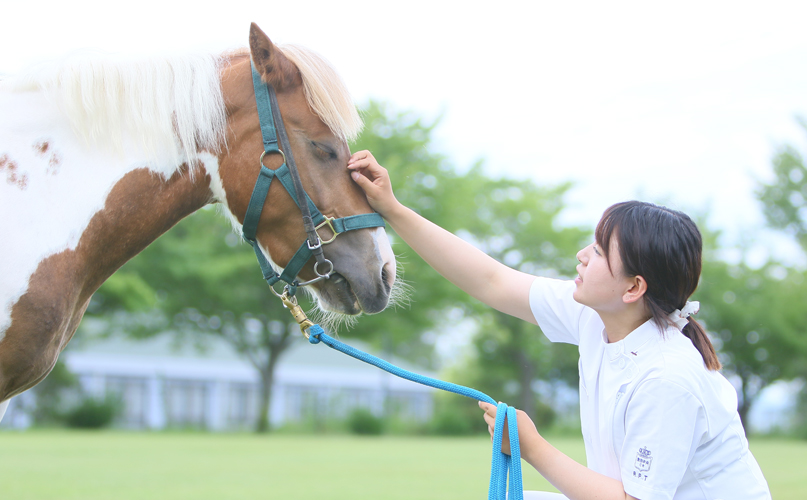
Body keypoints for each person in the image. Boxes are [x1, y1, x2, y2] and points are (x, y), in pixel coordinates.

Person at [347, 150, 772, 500]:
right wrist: (392, 210)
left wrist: (531, 447)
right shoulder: (595, 315)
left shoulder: (667, 377)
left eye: (602, 251)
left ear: (633, 288)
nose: (583, 255)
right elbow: (492, 282)